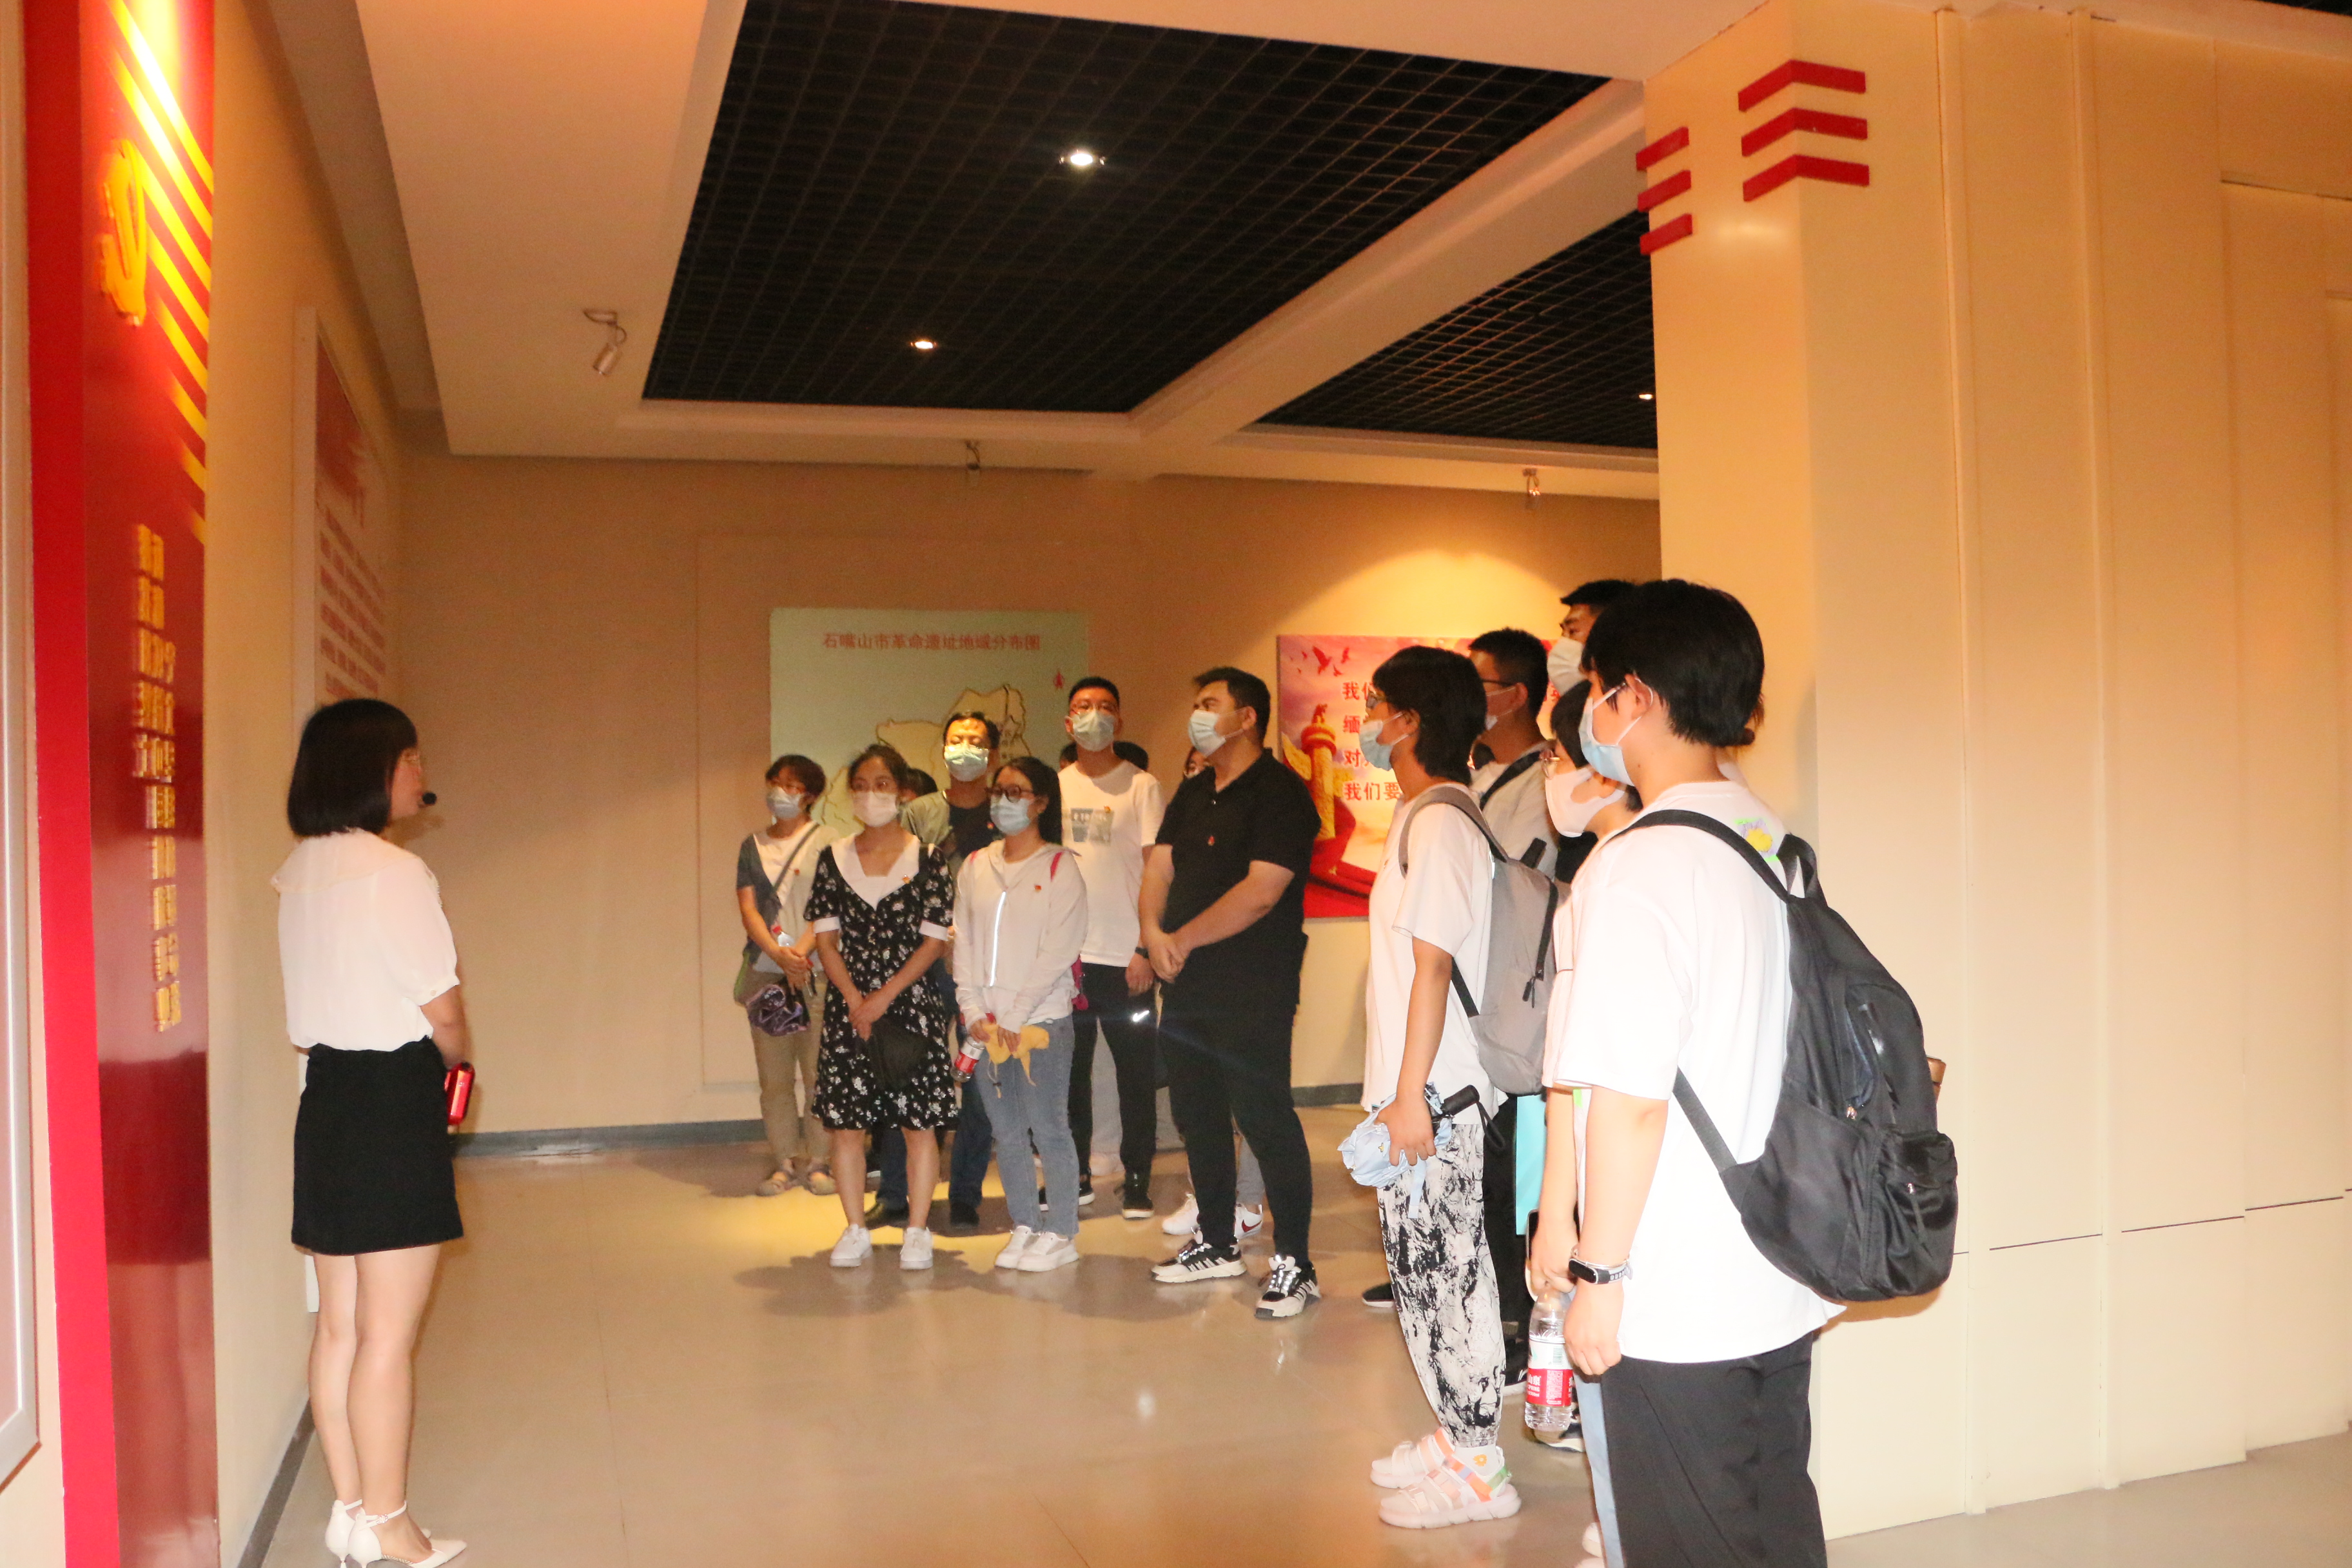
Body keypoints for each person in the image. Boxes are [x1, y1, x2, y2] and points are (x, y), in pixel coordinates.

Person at [1529, 580, 1837, 1568]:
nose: (1591, 714)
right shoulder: (1774, 843)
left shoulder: (1637, 866)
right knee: (1775, 1523)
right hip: (1777, 1252)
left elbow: (1629, 1101)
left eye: (1597, 691)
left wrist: (1600, 1275)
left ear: (1636, 696)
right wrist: (1556, 1209)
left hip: (1672, 1286)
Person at [275, 698, 468, 1568]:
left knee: (341, 1327)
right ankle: (391, 1526)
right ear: (371, 769)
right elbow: (443, 1011)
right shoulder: (395, 872)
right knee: (388, 1334)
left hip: (326, 1095)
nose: (420, 772)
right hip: (391, 1097)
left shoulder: (299, 870)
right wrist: (457, 1064)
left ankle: (351, 1509)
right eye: (410, 757)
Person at [1353, 646, 1517, 1529]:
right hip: (1420, 1094)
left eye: (1378, 705)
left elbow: (1434, 969)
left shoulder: (1444, 822)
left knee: (1448, 1275)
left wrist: (1411, 1094)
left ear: (1410, 720)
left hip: (1440, 1098)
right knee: (1423, 1277)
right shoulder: (1422, 817)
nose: (1369, 723)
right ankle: (1459, 1435)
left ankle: (1481, 1464)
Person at [1142, 667, 1323, 1318]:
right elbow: (1158, 867)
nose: (1197, 714)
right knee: (1198, 1115)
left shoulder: (1281, 792)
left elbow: (1262, 891)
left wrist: (1180, 939)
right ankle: (1217, 1240)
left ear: (1247, 717)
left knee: (1265, 1118)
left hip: (1253, 986)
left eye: (1209, 703)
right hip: (1188, 986)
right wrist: (1151, 933)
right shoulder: (1195, 791)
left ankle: (1295, 1261)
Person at [807, 744, 961, 1270]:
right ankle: (854, 1228)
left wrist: (884, 997)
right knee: (847, 1126)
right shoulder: (833, 857)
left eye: (881, 785)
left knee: (919, 1125)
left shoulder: (928, 857)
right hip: (849, 1010)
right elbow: (826, 940)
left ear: (901, 791)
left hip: (910, 1005)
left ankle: (917, 1230)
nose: (870, 795)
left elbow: (934, 941)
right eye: (860, 786)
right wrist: (856, 1000)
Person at [954, 757, 1090, 1271]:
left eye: (1016, 792)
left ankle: (1062, 1232)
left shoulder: (1060, 866)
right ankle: (1025, 1223)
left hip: (1040, 1021)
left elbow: (1059, 949)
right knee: (1007, 1133)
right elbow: (964, 941)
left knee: (1049, 1129)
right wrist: (972, 1008)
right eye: (999, 791)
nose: (1003, 801)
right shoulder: (976, 865)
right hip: (986, 1025)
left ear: (1041, 803)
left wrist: (1015, 1015)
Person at [1055, 677, 1165, 1219]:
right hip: (1067, 960)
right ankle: (1074, 1173)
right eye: (1083, 707)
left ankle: (1137, 1177)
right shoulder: (1054, 788)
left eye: (1104, 707)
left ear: (1119, 720)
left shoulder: (1141, 787)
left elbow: (1156, 871)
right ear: (1067, 721)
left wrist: (1146, 947)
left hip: (1127, 958)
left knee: (1135, 1074)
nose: (1093, 716)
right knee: (1069, 1075)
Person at [734, 754, 833, 1197]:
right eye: (775, 782)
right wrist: (778, 953)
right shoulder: (751, 845)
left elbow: (831, 907)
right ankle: (784, 1161)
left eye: (791, 785)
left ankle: (819, 1162)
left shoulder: (830, 842)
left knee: (818, 1074)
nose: (780, 792)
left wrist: (801, 954)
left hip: (817, 973)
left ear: (810, 796)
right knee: (774, 1080)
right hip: (766, 974)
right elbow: (749, 908)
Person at [1549, 578, 1638, 698]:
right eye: (1563, 632)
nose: (1564, 641)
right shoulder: (1577, 706)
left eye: (1573, 631)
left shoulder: (1640, 700)